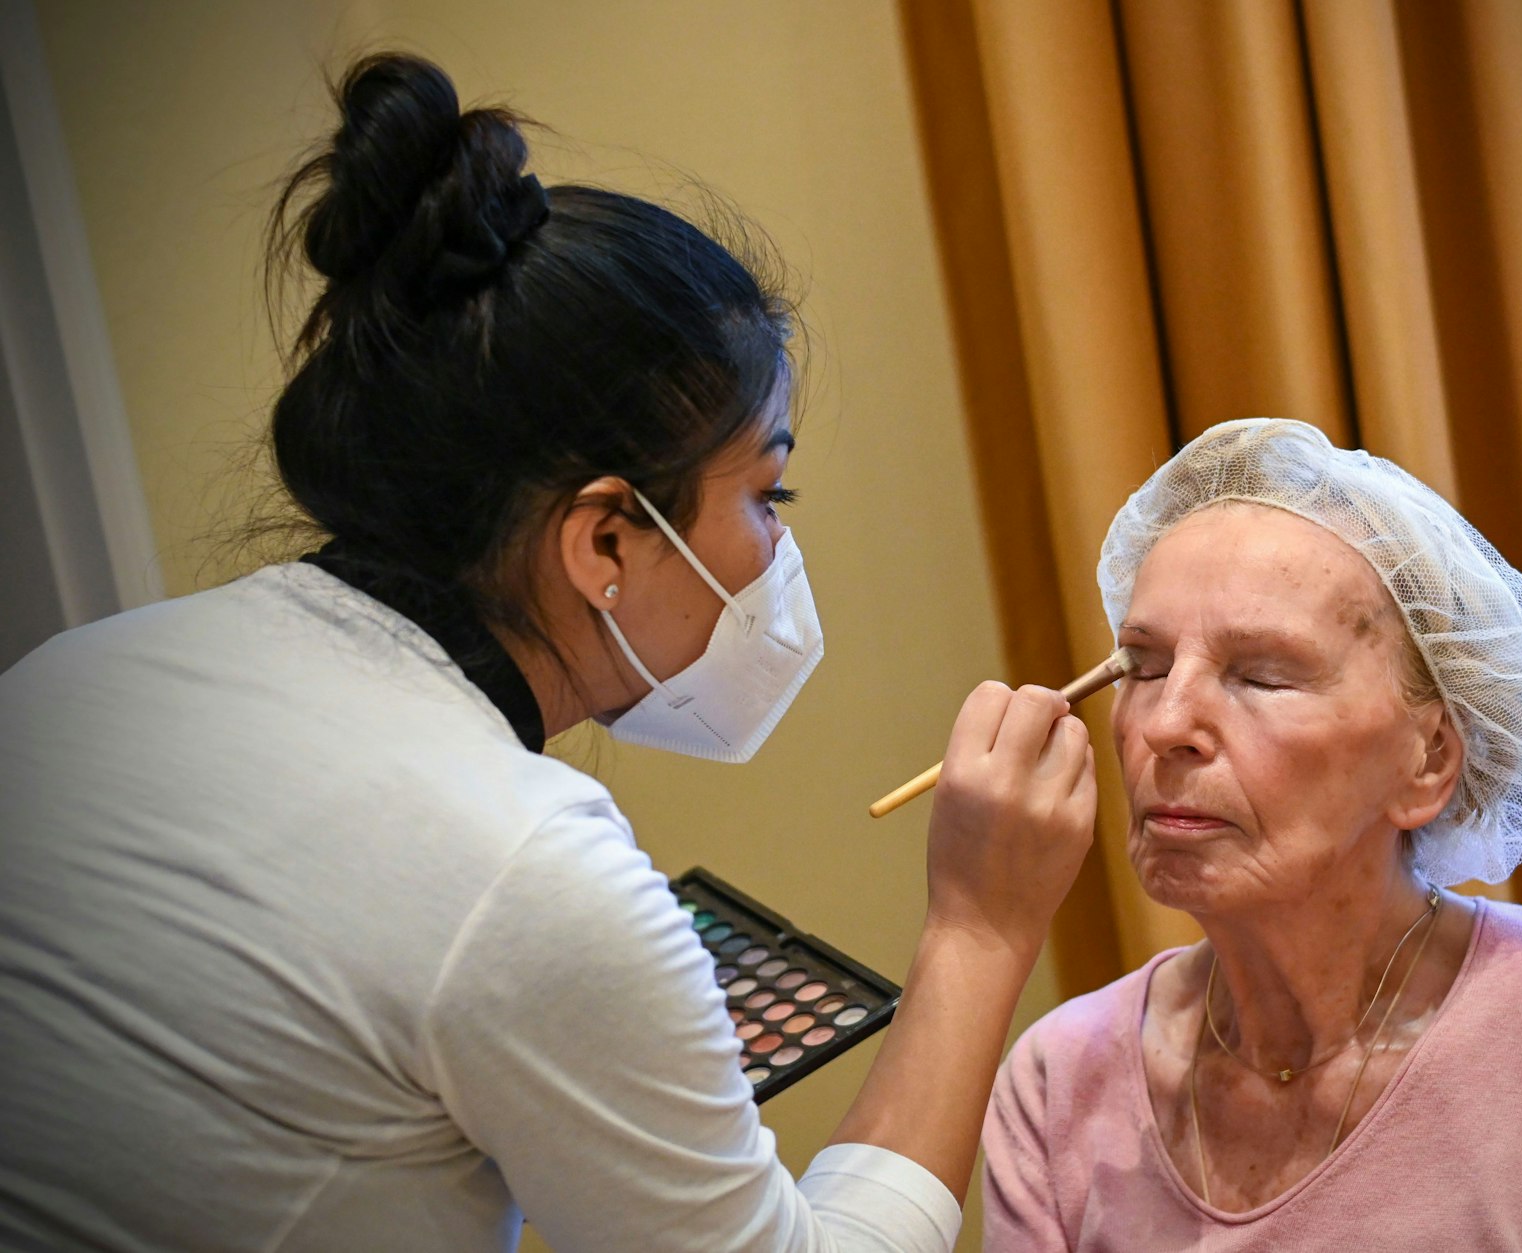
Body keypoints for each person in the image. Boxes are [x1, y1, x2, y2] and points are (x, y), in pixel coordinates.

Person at [0, 54, 1096, 1252]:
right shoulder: (522, 870)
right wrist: (978, 929)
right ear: (604, 538)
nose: (777, 549)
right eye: (768, 492)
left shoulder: (78, 678)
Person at [981, 419, 1522, 1251]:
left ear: (1427, 760)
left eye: (1261, 675)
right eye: (1144, 664)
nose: (1166, 723)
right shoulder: (1059, 1079)